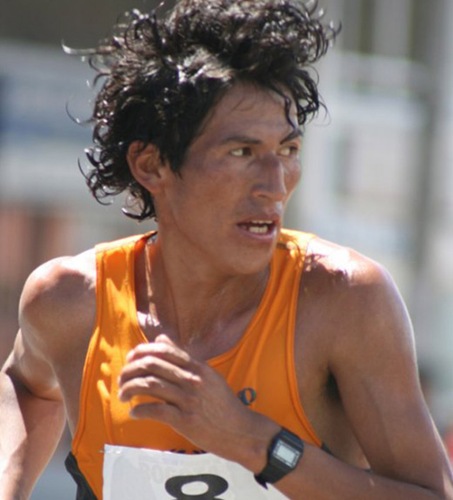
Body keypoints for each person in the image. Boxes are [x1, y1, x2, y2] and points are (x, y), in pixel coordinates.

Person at [1, 0, 452, 498]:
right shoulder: (70, 302)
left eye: (288, 150)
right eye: (242, 152)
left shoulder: (342, 300)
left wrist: (255, 442)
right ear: (151, 165)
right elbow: (25, 386)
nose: (275, 185)